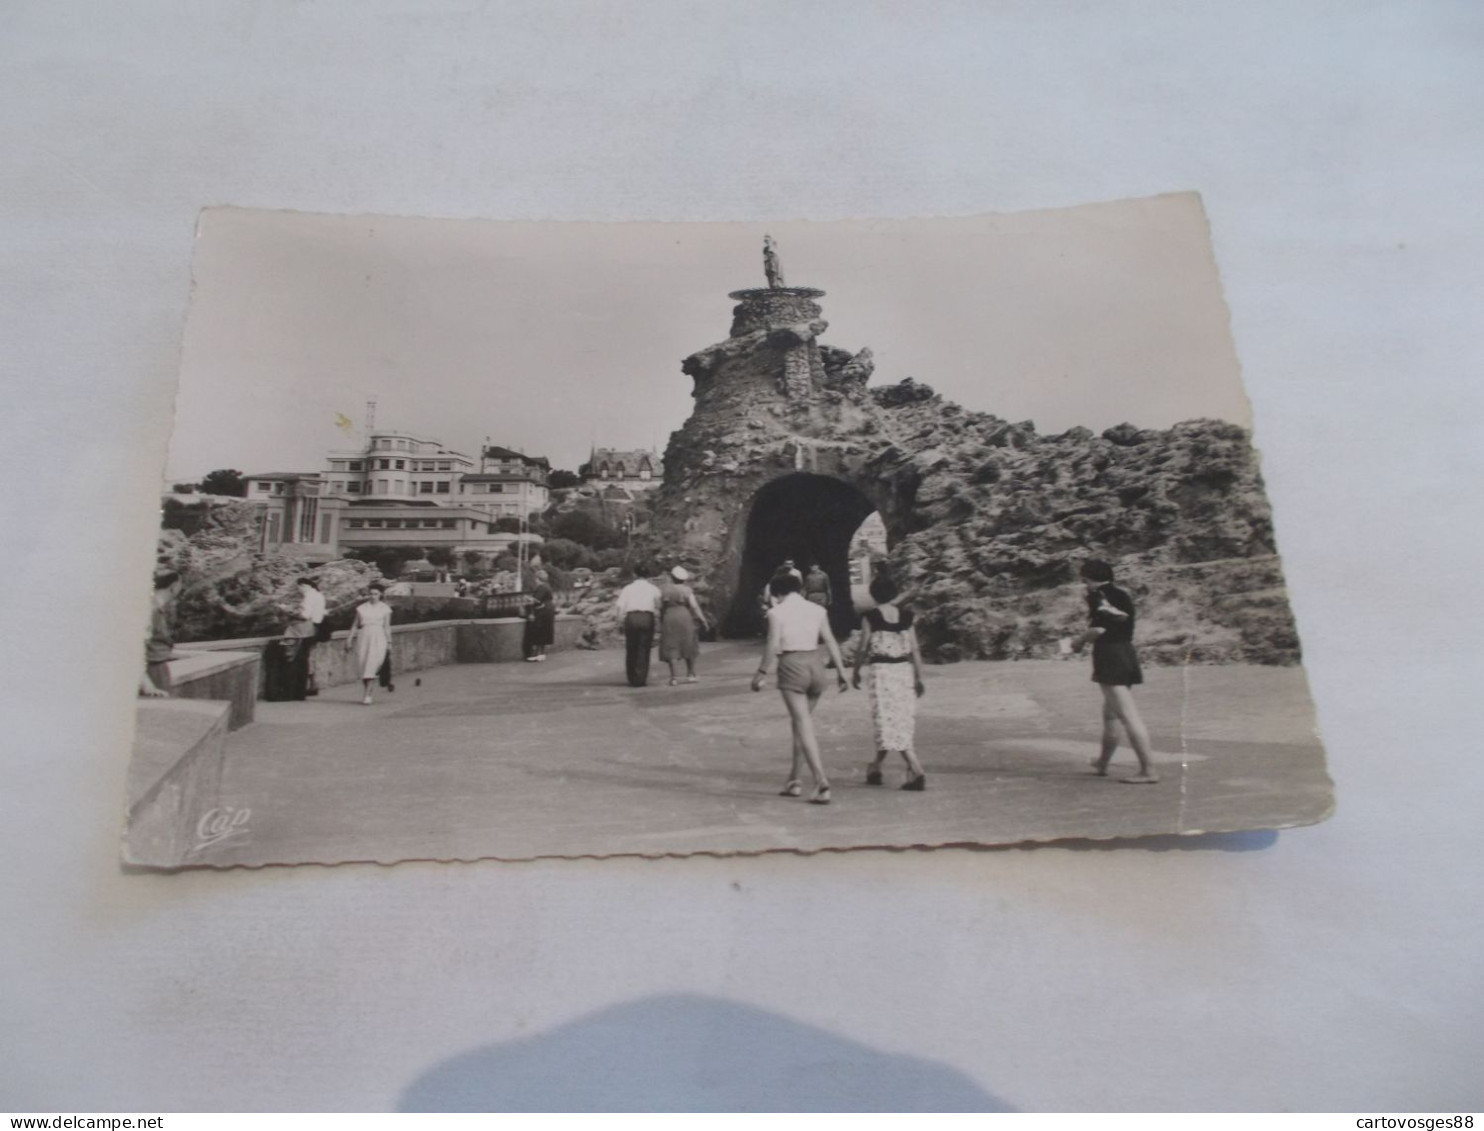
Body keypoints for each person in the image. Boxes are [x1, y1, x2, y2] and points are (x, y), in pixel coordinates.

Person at [750, 572, 851, 805]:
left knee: (803, 725)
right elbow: (831, 640)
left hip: (792, 666)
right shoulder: (817, 610)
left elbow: (773, 644)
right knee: (800, 724)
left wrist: (761, 672)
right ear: (800, 589)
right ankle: (794, 780)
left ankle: (820, 781)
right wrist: (842, 672)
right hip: (816, 666)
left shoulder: (776, 613)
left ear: (777, 593)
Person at [1076, 559, 1159, 784]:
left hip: (1109, 656)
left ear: (1089, 578)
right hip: (1126, 653)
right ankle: (1102, 763)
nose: (1083, 584)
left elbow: (1098, 628)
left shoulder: (1097, 595)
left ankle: (1148, 771)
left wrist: (1078, 642)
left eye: (1084, 579)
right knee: (1111, 715)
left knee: (1127, 715)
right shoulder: (1122, 594)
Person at [851, 575, 928, 790]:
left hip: (881, 671)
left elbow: (863, 646)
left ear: (873, 595)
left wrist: (855, 671)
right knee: (900, 718)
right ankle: (875, 767)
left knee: (885, 719)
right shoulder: (906, 616)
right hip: (903, 670)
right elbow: (914, 649)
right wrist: (919, 677)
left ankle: (916, 768)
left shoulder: (871, 617)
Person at [658, 566, 710, 685]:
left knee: (671, 645)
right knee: (689, 643)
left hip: (669, 616)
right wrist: (703, 620)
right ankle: (691, 674)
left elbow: (661, 607)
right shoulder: (687, 590)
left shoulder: (665, 590)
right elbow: (694, 606)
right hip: (684, 616)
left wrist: (661, 620)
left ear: (672, 577)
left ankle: (674, 677)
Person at [343, 583, 393, 705]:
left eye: (376, 594)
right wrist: (349, 639)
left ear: (380, 594)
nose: (373, 596)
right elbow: (355, 625)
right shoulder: (362, 608)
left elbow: (386, 626)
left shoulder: (384, 608)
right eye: (371, 594)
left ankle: (367, 694)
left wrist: (389, 642)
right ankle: (367, 690)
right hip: (364, 636)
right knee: (363, 664)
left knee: (372, 664)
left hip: (378, 636)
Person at [615, 564, 662, 687]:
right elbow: (659, 605)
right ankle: (640, 678)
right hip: (647, 617)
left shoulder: (628, 588)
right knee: (644, 648)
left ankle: (631, 677)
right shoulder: (653, 588)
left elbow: (620, 606)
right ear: (648, 575)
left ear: (634, 574)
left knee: (631, 648)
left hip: (631, 617)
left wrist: (619, 619)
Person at [281, 576, 327, 699]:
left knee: (298, 658)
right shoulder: (319, 595)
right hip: (315, 629)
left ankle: (299, 687)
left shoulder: (308, 596)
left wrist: (287, 610)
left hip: (303, 630)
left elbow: (305, 615)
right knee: (309, 657)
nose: (298, 590)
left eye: (298, 587)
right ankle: (311, 685)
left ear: (303, 585)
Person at [138, 569, 182, 698]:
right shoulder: (151, 610)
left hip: (157, 669)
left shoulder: (155, 608)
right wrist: (148, 686)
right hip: (151, 673)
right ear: (174, 587)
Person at [523, 570, 556, 662]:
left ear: (538, 578)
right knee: (545, 631)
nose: (535, 580)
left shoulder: (541, 587)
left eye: (536, 578)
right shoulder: (547, 586)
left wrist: (527, 599)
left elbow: (536, 600)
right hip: (549, 610)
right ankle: (542, 654)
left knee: (538, 631)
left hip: (542, 611)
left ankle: (535, 654)